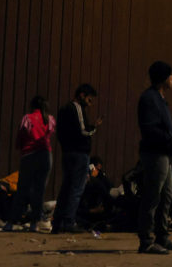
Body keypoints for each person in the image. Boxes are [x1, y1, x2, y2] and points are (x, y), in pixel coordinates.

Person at [136, 60, 172, 254]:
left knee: (165, 198)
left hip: (165, 155)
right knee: (152, 197)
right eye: (171, 75)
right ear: (164, 78)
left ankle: (162, 237)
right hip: (156, 154)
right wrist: (169, 140)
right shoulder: (149, 98)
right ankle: (146, 241)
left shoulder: (159, 98)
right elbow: (149, 128)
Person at [52, 84, 101, 233]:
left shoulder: (63, 110)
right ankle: (69, 222)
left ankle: (57, 223)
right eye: (89, 99)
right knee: (76, 189)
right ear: (82, 95)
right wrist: (94, 127)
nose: (90, 103)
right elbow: (83, 130)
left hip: (67, 152)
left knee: (66, 188)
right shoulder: (76, 108)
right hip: (79, 153)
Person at [6, 95, 56, 232]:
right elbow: (49, 134)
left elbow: (21, 136)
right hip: (46, 155)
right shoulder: (50, 119)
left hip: (29, 155)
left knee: (22, 189)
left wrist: (20, 148)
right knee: (39, 191)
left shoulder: (28, 118)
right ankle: (35, 223)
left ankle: (11, 222)